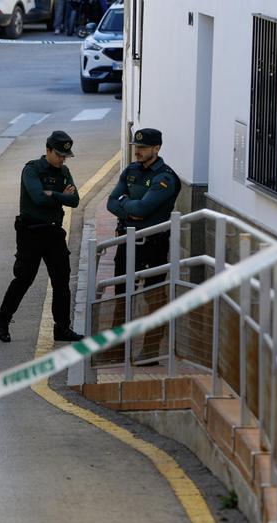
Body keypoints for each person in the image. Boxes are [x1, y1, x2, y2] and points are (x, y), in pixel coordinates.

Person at [0, 131, 85, 343]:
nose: (62, 160)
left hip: (53, 232)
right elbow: (38, 198)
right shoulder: (32, 170)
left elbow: (75, 201)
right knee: (24, 278)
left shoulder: (64, 171)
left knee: (61, 280)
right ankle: (2, 319)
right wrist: (61, 195)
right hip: (31, 232)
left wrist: (53, 194)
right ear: (48, 150)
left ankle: (62, 328)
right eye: (59, 155)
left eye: (65, 156)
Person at [105, 128, 181, 363]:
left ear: (156, 149)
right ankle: (117, 350)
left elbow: (142, 209)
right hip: (126, 241)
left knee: (154, 297)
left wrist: (126, 204)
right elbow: (110, 202)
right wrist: (131, 207)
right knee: (121, 295)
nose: (137, 151)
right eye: (135, 147)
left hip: (152, 244)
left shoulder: (165, 178)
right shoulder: (130, 171)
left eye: (143, 148)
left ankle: (150, 352)